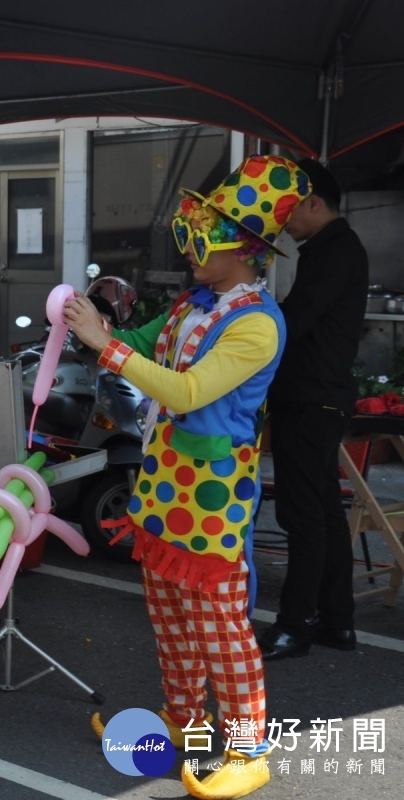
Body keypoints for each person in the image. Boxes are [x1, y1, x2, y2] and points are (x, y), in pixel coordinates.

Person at [67, 155, 310, 800]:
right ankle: (186, 723)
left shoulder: (256, 323)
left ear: (245, 249)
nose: (191, 244)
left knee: (219, 624)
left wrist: (105, 346)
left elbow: (188, 390)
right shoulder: (194, 302)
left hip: (212, 495)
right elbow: (145, 343)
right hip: (163, 479)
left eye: (205, 234)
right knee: (169, 615)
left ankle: (248, 747)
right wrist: (98, 322)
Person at [256, 159, 369, 660]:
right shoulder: (332, 248)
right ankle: (336, 621)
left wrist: (252, 324)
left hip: (311, 397)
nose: (283, 221)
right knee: (321, 511)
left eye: (288, 209)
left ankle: (293, 625)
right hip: (317, 396)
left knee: (303, 514)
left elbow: (295, 322)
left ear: (313, 202)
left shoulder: (335, 251)